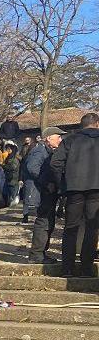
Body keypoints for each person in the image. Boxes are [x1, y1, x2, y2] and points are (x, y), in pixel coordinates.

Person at [52, 112, 99, 277]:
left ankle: (67, 268)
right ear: (97, 124)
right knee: (92, 229)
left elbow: (55, 163)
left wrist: (63, 183)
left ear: (81, 124)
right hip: (96, 188)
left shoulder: (70, 140)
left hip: (74, 189)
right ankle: (86, 268)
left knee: (71, 228)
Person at [26, 127, 65, 264]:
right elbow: (32, 167)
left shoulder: (49, 151)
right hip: (43, 192)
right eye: (58, 137)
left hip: (49, 191)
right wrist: (46, 181)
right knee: (43, 222)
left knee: (49, 221)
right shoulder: (40, 150)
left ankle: (41, 252)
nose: (60, 139)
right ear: (49, 138)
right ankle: (37, 254)